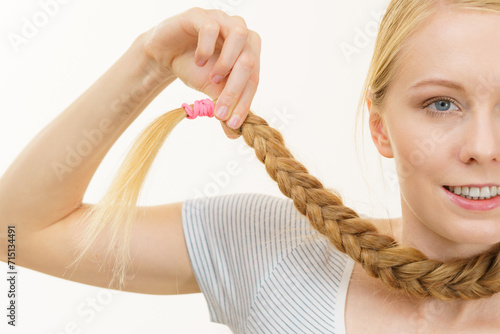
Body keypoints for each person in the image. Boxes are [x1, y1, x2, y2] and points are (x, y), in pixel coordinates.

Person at [2, 1, 500, 333]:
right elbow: (17, 228)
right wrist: (150, 62)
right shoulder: (270, 248)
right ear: (380, 128)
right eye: (440, 104)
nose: (483, 147)